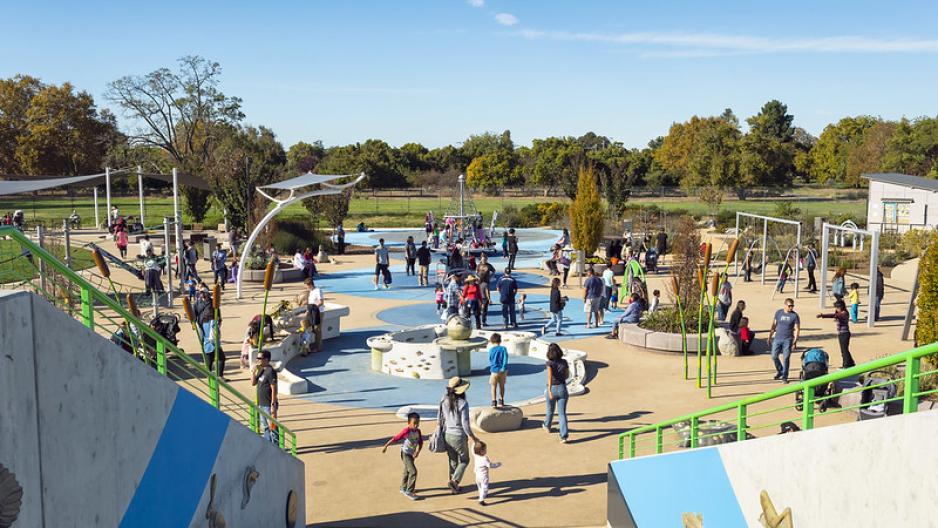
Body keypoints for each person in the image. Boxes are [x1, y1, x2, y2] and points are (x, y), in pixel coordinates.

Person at [440, 377, 480, 494]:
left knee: (452, 460)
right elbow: (465, 424)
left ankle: (453, 485)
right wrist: (473, 437)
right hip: (459, 436)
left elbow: (441, 418)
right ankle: (455, 481)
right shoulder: (463, 403)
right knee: (464, 460)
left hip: (447, 434)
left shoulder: (443, 399)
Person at [381, 411, 423, 501]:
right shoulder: (406, 431)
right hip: (405, 453)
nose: (416, 425)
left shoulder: (418, 431)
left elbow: (421, 442)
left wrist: (418, 452)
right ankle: (409, 491)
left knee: (407, 471)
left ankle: (403, 488)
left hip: (411, 454)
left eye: (418, 423)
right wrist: (386, 446)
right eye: (414, 423)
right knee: (413, 471)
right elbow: (395, 438)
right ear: (408, 423)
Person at [768, 298, 801, 383]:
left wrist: (795, 341)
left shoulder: (794, 316)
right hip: (777, 338)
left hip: (788, 339)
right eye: (790, 306)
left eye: (792, 306)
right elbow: (774, 325)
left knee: (786, 358)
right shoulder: (778, 313)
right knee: (774, 356)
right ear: (785, 305)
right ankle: (780, 371)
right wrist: (770, 337)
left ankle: (785, 377)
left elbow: (797, 329)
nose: (791, 308)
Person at [543, 343, 570, 443]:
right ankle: (564, 436)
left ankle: (547, 425)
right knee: (562, 413)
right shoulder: (564, 362)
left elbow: (549, 377)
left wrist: (549, 390)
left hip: (552, 388)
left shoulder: (549, 363)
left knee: (550, 410)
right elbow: (567, 375)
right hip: (562, 388)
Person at [817, 300, 856, 368]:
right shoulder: (842, 312)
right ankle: (851, 363)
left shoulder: (844, 313)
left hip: (844, 334)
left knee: (844, 351)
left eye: (837, 307)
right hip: (841, 333)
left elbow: (833, 315)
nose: (836, 309)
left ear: (841, 307)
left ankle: (846, 365)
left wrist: (822, 315)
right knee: (845, 349)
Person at [251, 349, 278, 443]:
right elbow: (253, 383)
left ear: (266, 359)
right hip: (261, 403)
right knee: (265, 426)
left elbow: (274, 388)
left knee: (272, 426)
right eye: (257, 358)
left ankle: (276, 444)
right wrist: (253, 372)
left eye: (260, 358)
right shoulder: (261, 370)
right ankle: (268, 443)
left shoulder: (270, 371)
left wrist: (273, 404)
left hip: (268, 403)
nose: (257, 360)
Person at [471, 439, 501, 506]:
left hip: (477, 475)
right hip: (484, 476)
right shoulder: (484, 458)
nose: (486, 451)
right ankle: (481, 500)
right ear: (482, 451)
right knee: (485, 487)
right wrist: (497, 464)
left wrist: (474, 442)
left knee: (479, 487)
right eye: (485, 449)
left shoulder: (476, 456)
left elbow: (472, 450)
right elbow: (490, 465)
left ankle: (481, 495)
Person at [488, 333, 508, 407]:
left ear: (492, 341)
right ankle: (501, 400)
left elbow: (490, 359)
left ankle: (494, 401)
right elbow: (505, 359)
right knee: (502, 386)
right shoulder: (503, 349)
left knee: (493, 386)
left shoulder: (491, 350)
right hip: (503, 370)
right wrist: (503, 367)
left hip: (494, 370)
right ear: (500, 340)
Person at [304, 278, 324, 355]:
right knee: (313, 328)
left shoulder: (318, 291)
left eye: (307, 286)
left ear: (310, 284)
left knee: (317, 329)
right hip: (312, 312)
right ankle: (314, 344)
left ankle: (318, 347)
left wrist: (314, 307)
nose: (306, 287)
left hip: (318, 312)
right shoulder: (311, 292)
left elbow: (321, 302)